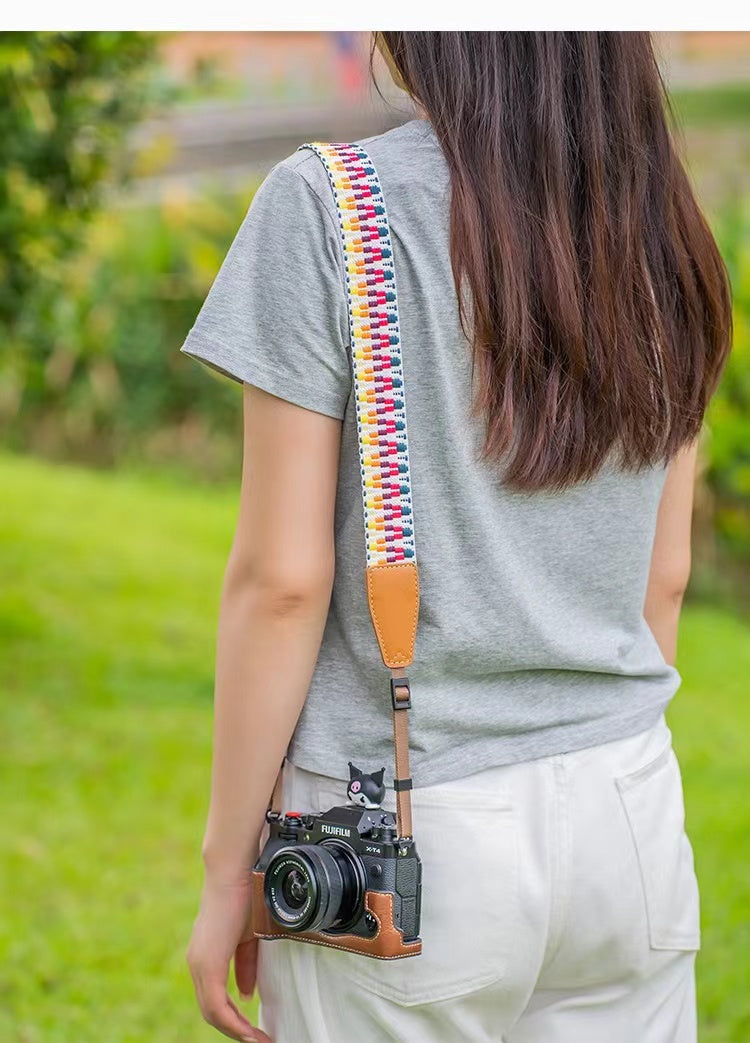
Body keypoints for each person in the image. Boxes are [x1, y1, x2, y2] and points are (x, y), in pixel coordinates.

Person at [182, 31, 732, 1043]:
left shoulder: (329, 207)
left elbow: (285, 582)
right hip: (630, 810)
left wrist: (229, 871)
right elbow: (666, 577)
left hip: (404, 821)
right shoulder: (663, 226)